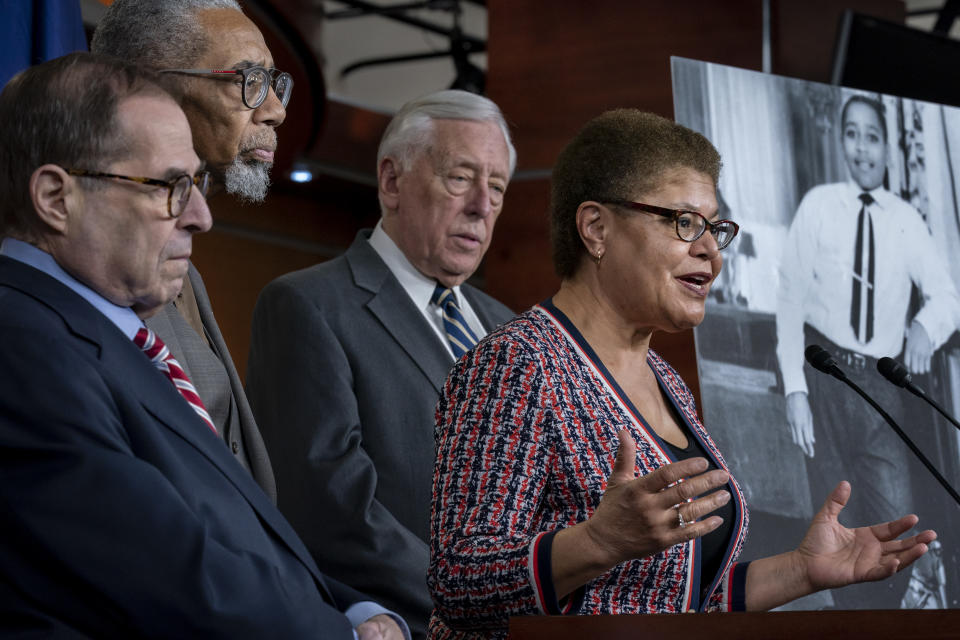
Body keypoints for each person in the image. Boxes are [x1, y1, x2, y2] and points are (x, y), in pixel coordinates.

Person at [427, 109, 936, 638]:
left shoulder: (667, 382)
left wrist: (803, 570)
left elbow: (677, 598)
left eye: (715, 228)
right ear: (596, 228)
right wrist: (597, 542)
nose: (711, 254)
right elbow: (459, 581)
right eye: (684, 222)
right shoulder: (517, 363)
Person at [0, 52, 406, 640]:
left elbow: (234, 534)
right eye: (169, 185)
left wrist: (355, 610)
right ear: (56, 199)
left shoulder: (103, 337)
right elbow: (164, 572)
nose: (201, 216)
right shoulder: (23, 345)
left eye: (197, 184)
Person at [246, 89, 516, 638]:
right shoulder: (308, 304)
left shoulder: (508, 327)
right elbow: (331, 510)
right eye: (461, 177)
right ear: (392, 181)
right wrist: (480, 608)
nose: (482, 208)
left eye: (497, 187)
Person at [91, 0, 286, 498]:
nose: (275, 110)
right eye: (248, 81)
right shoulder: (96, 264)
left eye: (272, 81)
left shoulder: (183, 267)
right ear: (149, 85)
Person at [776, 94, 960, 608]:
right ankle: (850, 620)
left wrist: (923, 328)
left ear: (887, 150)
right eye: (852, 134)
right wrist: (794, 389)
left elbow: (949, 296)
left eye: (872, 136)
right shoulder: (817, 205)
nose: (862, 147)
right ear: (841, 142)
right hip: (824, 376)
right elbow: (789, 299)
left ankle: (892, 611)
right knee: (834, 529)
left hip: (880, 389)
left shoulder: (906, 219)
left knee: (898, 521)